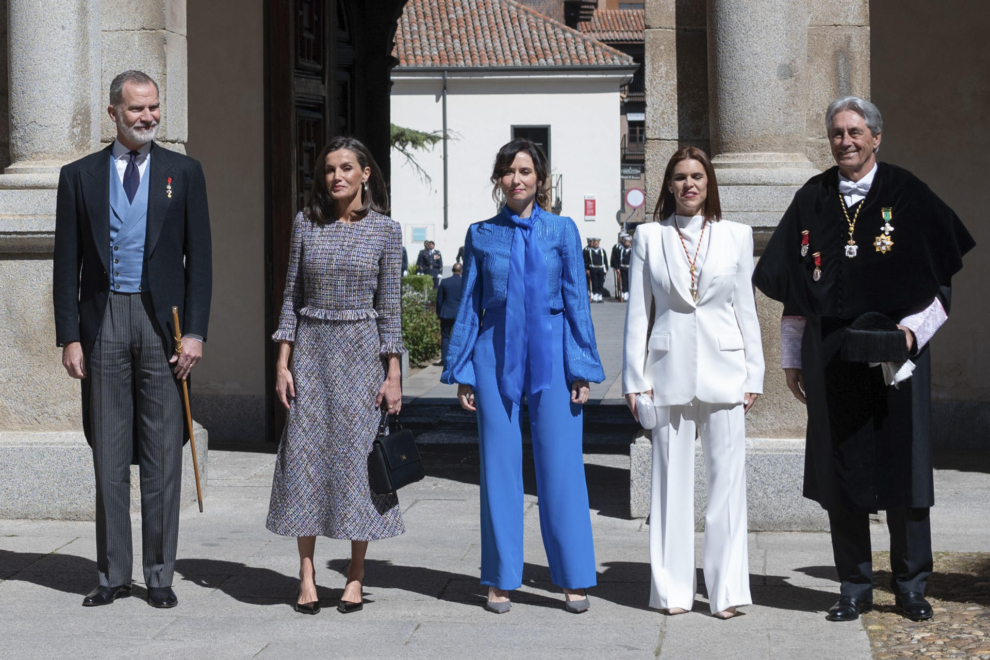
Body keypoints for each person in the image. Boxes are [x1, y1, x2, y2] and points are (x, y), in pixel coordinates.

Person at [753, 97, 975, 623]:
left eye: (855, 132)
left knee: (906, 470)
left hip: (898, 357)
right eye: (836, 133)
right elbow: (795, 293)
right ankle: (853, 585)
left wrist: (909, 335)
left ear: (877, 137)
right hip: (830, 356)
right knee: (843, 472)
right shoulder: (812, 197)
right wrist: (791, 359)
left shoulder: (909, 193)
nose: (845, 141)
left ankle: (910, 584)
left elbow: (940, 288)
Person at [53, 70, 212, 609]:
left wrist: (194, 332)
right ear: (113, 113)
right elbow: (65, 266)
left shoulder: (183, 173)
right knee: (109, 454)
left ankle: (160, 575)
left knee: (164, 454)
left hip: (161, 324)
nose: (148, 117)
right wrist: (70, 338)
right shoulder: (78, 177)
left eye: (154, 108)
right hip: (102, 325)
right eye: (137, 109)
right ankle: (113, 574)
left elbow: (201, 263)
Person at [442, 138, 605, 615]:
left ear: (541, 179)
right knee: (499, 467)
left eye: (526, 171)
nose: (517, 179)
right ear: (498, 179)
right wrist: (465, 370)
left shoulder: (563, 231)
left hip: (552, 350)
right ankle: (500, 577)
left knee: (562, 466)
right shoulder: (480, 234)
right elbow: (471, 306)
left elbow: (577, 301)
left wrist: (582, 366)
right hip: (494, 350)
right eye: (509, 171)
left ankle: (574, 577)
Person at [622, 146, 764, 619]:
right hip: (665, 371)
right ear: (668, 184)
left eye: (697, 176)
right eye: (680, 177)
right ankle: (672, 591)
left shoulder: (737, 236)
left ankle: (726, 591)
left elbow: (746, 308)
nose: (689, 184)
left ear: (710, 183)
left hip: (726, 371)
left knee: (727, 488)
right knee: (669, 486)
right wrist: (633, 380)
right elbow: (638, 314)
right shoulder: (648, 236)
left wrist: (755, 375)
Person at [268, 136, 406, 615]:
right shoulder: (307, 224)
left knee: (356, 465)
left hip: (362, 352)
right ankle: (305, 573)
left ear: (365, 173)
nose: (336, 177)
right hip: (312, 350)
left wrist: (394, 376)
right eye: (329, 170)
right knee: (304, 459)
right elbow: (290, 295)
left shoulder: (387, 231)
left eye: (346, 168)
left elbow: (390, 309)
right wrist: (283, 362)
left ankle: (355, 572)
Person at [436, 263, 463, 368]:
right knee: (459, 336)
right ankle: (458, 358)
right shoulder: (463, 282)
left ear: (452, 270)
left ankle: (444, 359)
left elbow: (439, 300)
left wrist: (439, 313)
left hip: (446, 312)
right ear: (461, 271)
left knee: (445, 336)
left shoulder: (445, 282)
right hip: (459, 313)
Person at [583, 238, 608, 302]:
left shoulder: (602, 250)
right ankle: (594, 296)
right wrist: (587, 269)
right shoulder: (590, 251)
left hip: (601, 268)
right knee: (594, 282)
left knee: (601, 282)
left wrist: (606, 269)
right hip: (593, 268)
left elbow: (605, 260)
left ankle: (599, 296)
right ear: (593, 243)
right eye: (595, 243)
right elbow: (587, 261)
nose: (596, 244)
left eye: (597, 243)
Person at [615, 234, 632, 302]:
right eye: (625, 242)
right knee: (624, 281)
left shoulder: (632, 250)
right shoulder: (621, 250)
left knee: (629, 281)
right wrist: (617, 268)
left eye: (628, 242)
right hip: (623, 267)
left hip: (629, 268)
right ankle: (625, 294)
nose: (626, 243)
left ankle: (629, 294)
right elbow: (617, 259)